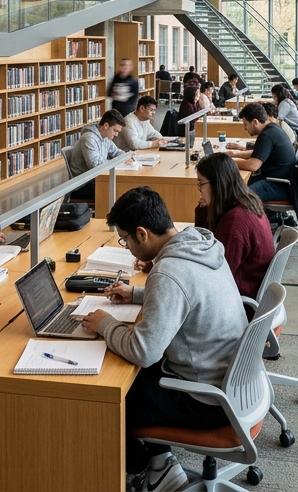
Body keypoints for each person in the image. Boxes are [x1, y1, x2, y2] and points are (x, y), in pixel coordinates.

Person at [79, 187, 248, 492]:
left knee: (111, 398)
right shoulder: (201, 243)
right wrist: (138, 293)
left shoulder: (169, 272)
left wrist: (105, 324)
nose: (127, 247)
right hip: (229, 381)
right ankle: (161, 465)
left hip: (205, 399)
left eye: (126, 239)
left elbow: (143, 351)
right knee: (135, 379)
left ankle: (142, 470)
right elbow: (190, 296)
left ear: (142, 233)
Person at [195, 153, 275, 299]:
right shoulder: (246, 201)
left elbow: (217, 275)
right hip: (247, 290)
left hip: (238, 301)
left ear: (217, 183)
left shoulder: (235, 222)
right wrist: (204, 210)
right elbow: (204, 244)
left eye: (201, 183)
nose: (199, 189)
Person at [224, 103, 295, 202]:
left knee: (240, 198)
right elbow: (259, 154)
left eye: (245, 124)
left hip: (278, 185)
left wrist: (227, 162)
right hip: (280, 180)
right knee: (239, 186)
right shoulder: (272, 128)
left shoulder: (266, 135)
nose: (245, 128)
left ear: (255, 122)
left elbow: (252, 165)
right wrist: (235, 154)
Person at [65, 110, 127, 201]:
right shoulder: (89, 138)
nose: (116, 135)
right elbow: (95, 165)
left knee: (121, 187)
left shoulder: (106, 138)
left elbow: (116, 152)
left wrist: (126, 157)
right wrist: (119, 162)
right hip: (83, 184)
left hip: (96, 179)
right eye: (115, 131)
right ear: (106, 126)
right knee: (119, 189)